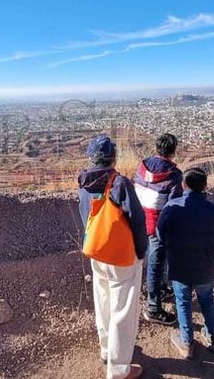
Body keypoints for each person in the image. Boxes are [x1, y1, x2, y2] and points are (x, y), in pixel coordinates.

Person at [78, 135, 147, 379]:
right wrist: (141, 252)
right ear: (113, 157)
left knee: (103, 301)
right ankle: (118, 371)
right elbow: (137, 221)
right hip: (121, 255)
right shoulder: (120, 184)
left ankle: (107, 349)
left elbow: (85, 215)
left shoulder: (84, 182)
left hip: (97, 251)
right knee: (123, 311)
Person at [156, 167, 214, 359]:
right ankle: (213, 338)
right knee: (207, 300)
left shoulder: (171, 207)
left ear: (183, 185)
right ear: (205, 186)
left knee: (183, 302)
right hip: (205, 266)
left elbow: (160, 235)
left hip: (179, 266)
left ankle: (186, 341)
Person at [134, 133, 183, 325]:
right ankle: (153, 308)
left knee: (156, 262)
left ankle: (162, 289)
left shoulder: (142, 167)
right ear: (173, 151)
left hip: (140, 219)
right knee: (155, 264)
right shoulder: (174, 175)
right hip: (157, 226)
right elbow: (173, 207)